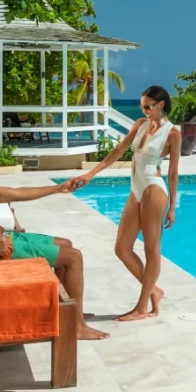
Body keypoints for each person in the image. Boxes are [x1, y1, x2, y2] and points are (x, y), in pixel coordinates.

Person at [0, 154, 109, 341]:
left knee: (66, 244)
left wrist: (57, 188)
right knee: (74, 257)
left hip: (10, 238)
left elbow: (17, 193)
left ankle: (71, 313)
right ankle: (76, 327)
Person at [73, 85, 181, 322]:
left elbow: (173, 173)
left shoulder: (172, 133)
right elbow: (119, 150)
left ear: (161, 105)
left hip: (154, 188)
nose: (144, 110)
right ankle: (154, 291)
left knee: (151, 250)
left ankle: (142, 308)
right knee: (122, 248)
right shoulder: (140, 125)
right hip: (136, 188)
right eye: (142, 106)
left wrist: (173, 206)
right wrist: (90, 175)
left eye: (147, 106)